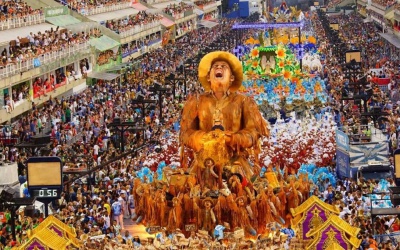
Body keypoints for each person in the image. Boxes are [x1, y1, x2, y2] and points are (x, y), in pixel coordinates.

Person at [180, 51, 269, 186]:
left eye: (223, 66)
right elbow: (185, 133)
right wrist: (204, 138)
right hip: (203, 164)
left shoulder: (244, 102)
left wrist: (232, 139)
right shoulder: (196, 102)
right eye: (215, 66)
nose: (219, 68)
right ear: (208, 77)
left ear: (232, 78)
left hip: (236, 162)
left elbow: (254, 133)